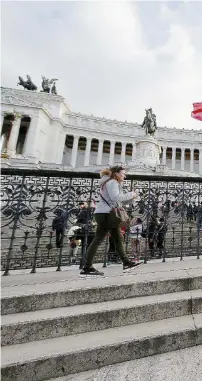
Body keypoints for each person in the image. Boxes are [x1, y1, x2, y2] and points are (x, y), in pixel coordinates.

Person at [80, 166, 142, 275]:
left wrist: (130, 198)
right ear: (116, 173)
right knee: (98, 240)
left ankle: (126, 262)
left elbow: (116, 201)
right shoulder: (112, 182)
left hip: (107, 213)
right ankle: (87, 267)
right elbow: (116, 198)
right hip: (106, 214)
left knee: (118, 238)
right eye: (123, 173)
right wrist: (131, 194)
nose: (125, 176)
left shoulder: (109, 182)